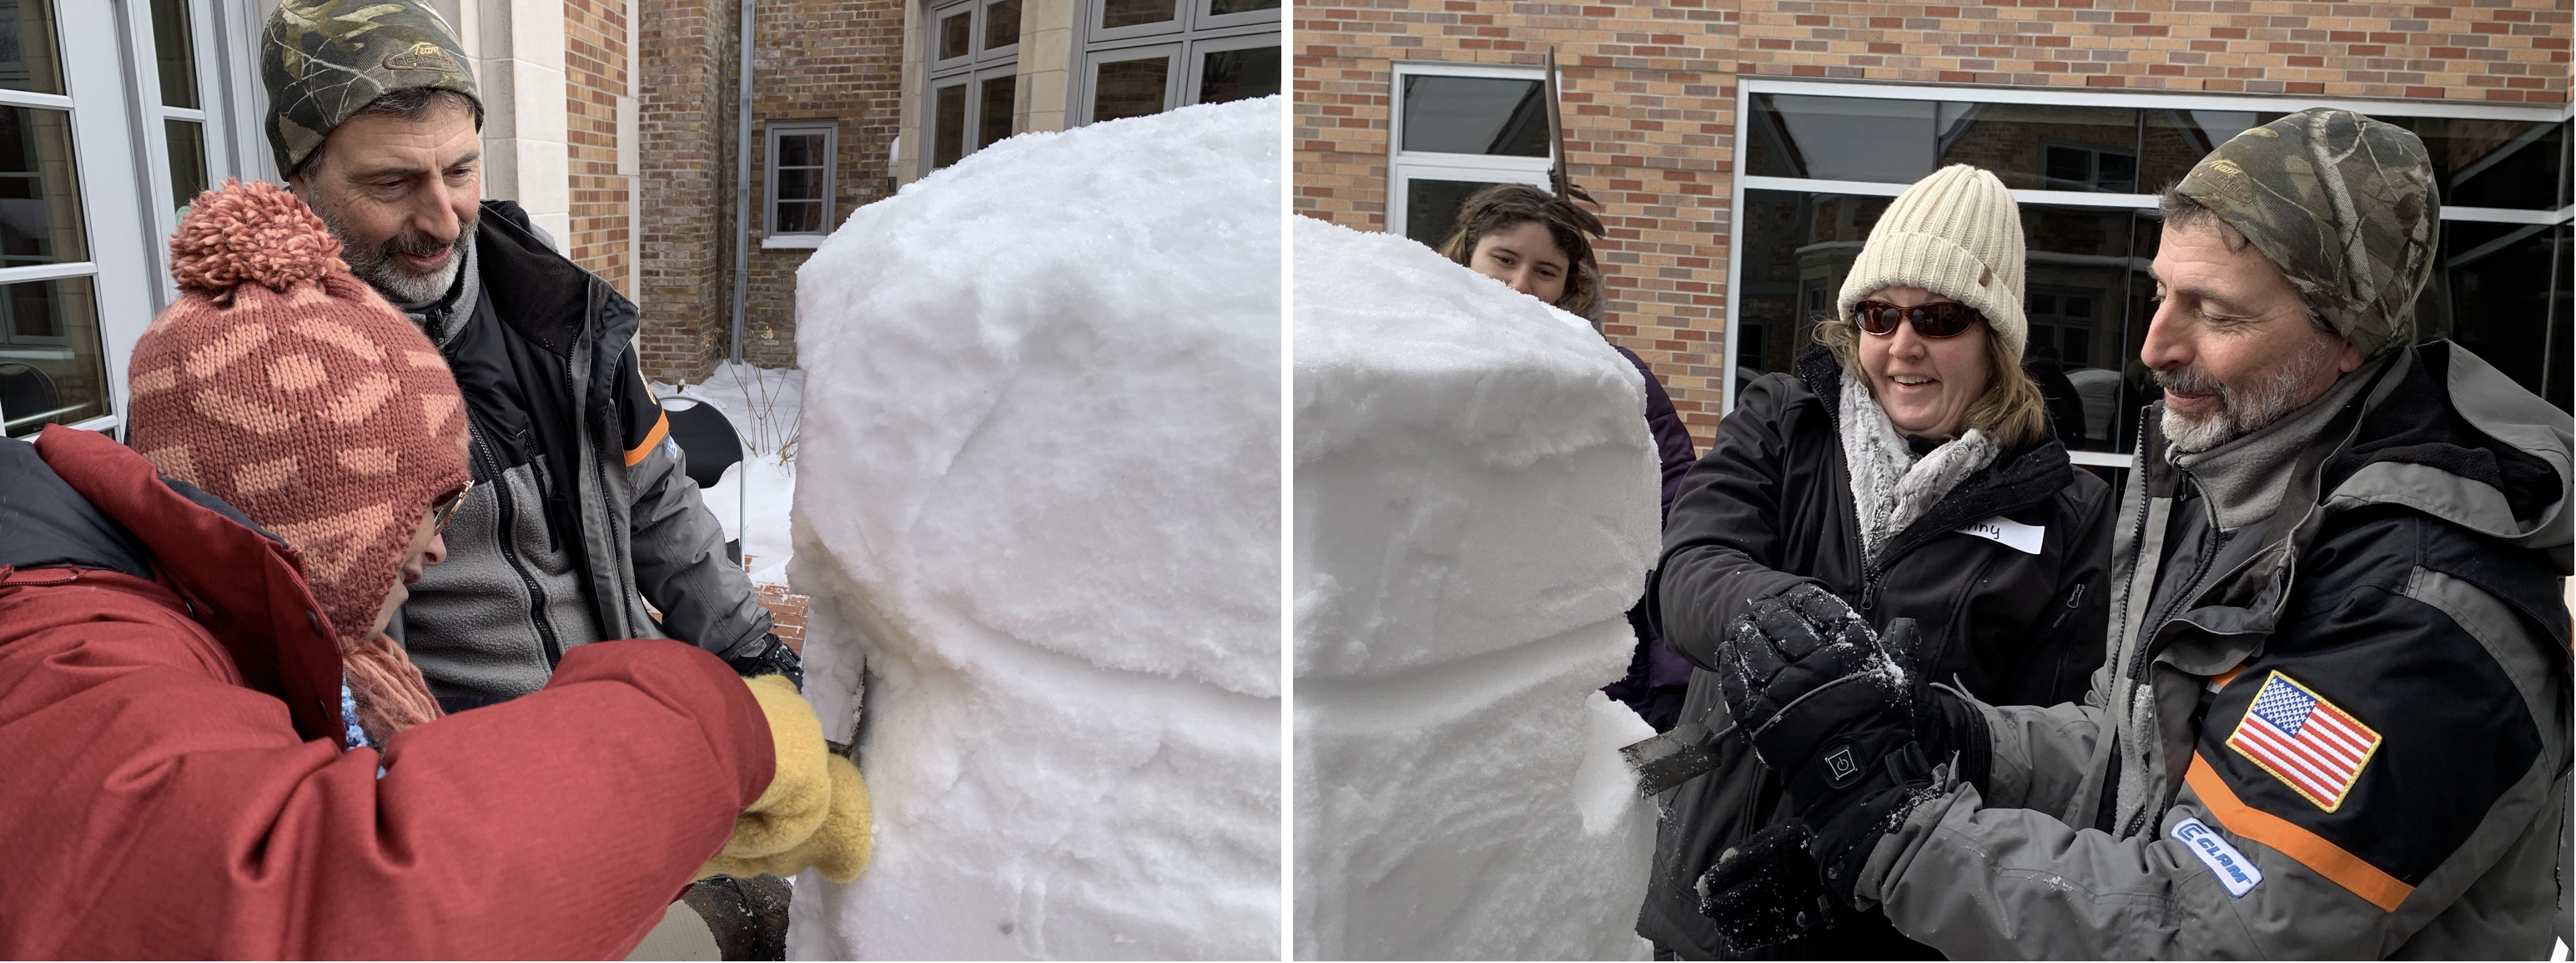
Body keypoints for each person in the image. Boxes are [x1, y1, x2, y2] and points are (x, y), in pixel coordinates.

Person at [1696, 109, 2571, 958]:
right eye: (2160, 292)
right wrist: (1944, 730)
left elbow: (2211, 926)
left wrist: (1892, 835)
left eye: (2214, 311)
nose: (2152, 344)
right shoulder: (2237, 492)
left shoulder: (2414, 600)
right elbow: (2135, 757)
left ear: (2347, 335)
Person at [0, 180, 868, 958]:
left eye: (462, 166)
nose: (440, 548)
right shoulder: (65, 662)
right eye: (423, 512)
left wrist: (676, 827)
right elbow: (344, 898)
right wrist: (721, 733)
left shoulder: (228, 627)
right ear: (325, 515)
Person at [263, 0, 799, 715]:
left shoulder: (544, 299)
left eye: (459, 170)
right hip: (473, 771)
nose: (442, 220)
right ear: (300, 180)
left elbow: (652, 498)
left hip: (628, 703)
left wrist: (746, 647)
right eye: (391, 183)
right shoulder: (244, 379)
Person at [1639, 164, 2116, 958]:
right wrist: (1805, 633)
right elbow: (1688, 571)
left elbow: (2039, 755)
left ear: (1995, 339)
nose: (1902, 344)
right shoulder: (1784, 423)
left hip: (1892, 917)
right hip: (1705, 901)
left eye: (1938, 317)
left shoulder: (2066, 514)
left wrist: (1845, 851)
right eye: (1878, 314)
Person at [1437, 183, 1698, 729]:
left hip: (1592, 661)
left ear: (1567, 285)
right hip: (1448, 654)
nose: (1520, 286)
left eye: (1545, 271)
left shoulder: (1615, 380)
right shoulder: (1412, 368)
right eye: (1503, 260)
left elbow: (1677, 518)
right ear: (1467, 255)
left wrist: (1675, 677)